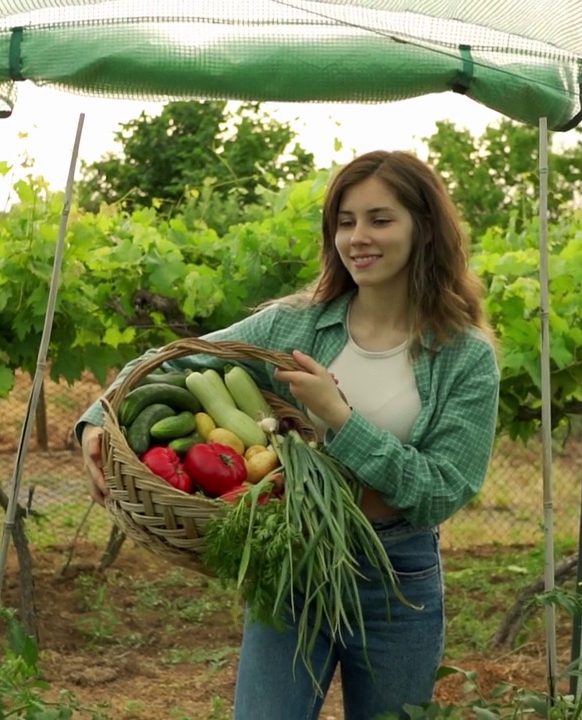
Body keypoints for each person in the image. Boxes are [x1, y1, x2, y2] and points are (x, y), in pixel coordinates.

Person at [76, 149, 500, 720]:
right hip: (295, 560)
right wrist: (97, 419)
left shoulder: (464, 357)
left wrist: (341, 419)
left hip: (396, 574)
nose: (358, 237)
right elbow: (168, 361)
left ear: (424, 228)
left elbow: (441, 490)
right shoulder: (297, 323)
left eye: (380, 219)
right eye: (345, 222)